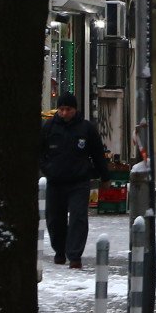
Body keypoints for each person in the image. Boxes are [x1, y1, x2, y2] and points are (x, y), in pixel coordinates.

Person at [40, 92, 107, 270]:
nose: (64, 113)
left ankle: (74, 255)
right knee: (54, 220)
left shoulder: (86, 129)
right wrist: (46, 169)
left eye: (67, 109)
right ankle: (59, 251)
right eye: (61, 109)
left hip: (79, 182)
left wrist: (103, 175)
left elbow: (98, 154)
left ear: (74, 110)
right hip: (55, 181)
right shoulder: (49, 127)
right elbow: (39, 152)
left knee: (78, 218)